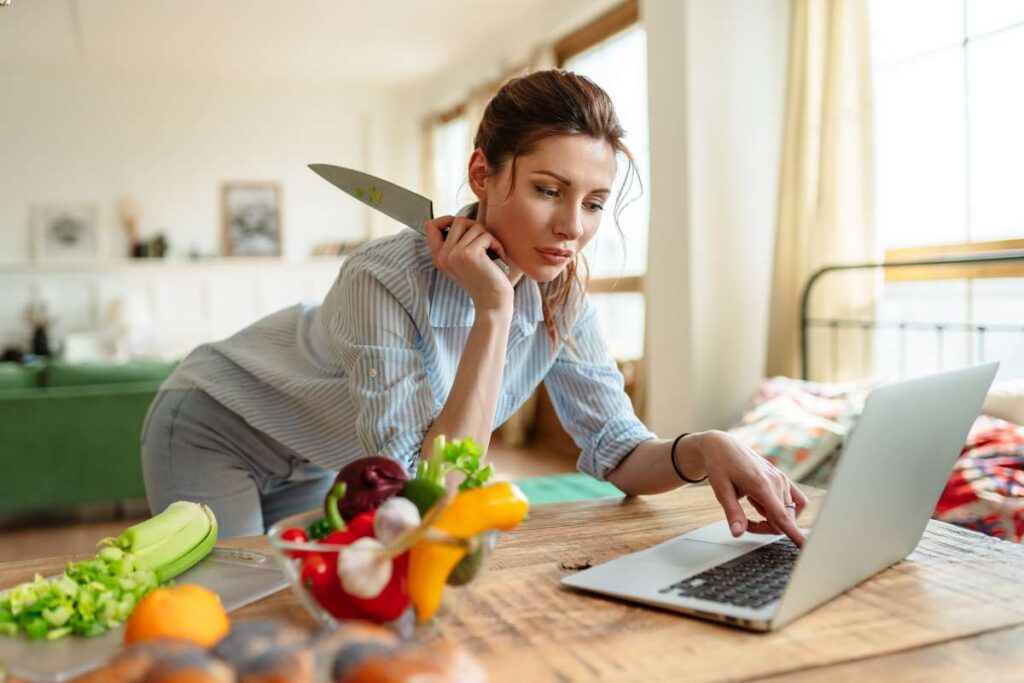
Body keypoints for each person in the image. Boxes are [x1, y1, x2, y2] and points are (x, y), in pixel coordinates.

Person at [141, 69, 808, 543]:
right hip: (218, 424)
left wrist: (705, 447)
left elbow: (617, 450)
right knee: (232, 610)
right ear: (482, 174)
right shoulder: (383, 279)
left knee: (326, 598)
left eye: (596, 202)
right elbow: (420, 483)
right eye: (550, 188)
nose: (574, 226)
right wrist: (494, 310)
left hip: (323, 453)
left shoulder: (562, 297)